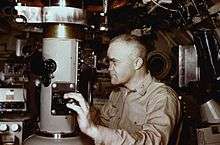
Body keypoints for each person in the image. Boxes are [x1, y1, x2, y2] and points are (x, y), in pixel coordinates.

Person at [64, 34, 181, 145]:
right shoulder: (118, 93)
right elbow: (103, 124)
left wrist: (95, 131)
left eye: (114, 62)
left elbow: (154, 141)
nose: (109, 68)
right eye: (109, 62)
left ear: (137, 63)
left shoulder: (162, 97)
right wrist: (88, 113)